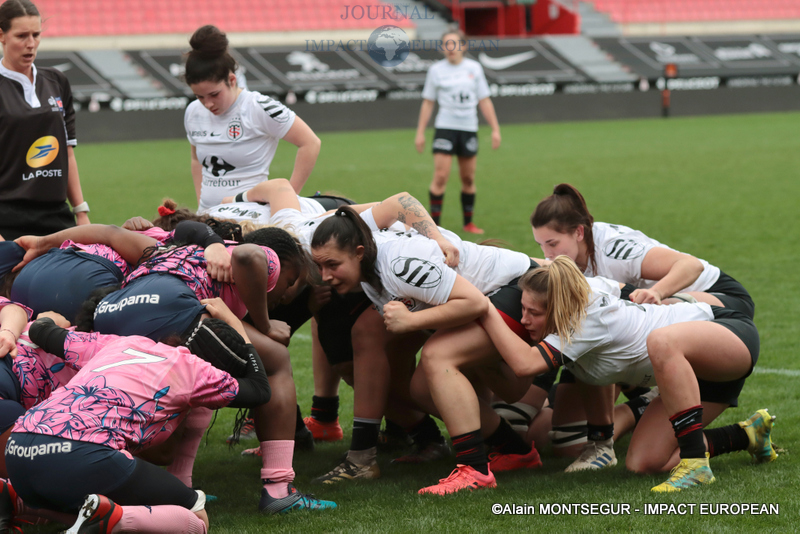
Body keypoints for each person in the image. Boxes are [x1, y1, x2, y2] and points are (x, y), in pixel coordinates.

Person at [479, 256, 776, 492]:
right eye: (523, 309)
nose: (524, 319)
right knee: (643, 463)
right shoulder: (584, 289)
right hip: (692, 374)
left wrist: (485, 309)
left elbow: (525, 365)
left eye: (534, 313)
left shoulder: (582, 323)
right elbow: (616, 287)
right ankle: (746, 434)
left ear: (559, 308)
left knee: (660, 340)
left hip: (727, 334)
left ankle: (695, 464)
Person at [309, 206, 546, 494]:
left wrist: (411, 321)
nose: (325, 276)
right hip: (489, 293)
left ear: (359, 253)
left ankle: (474, 470)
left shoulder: (398, 265)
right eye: (319, 266)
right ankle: (514, 451)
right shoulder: (366, 258)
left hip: (515, 289)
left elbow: (474, 302)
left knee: (438, 356)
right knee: (422, 388)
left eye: (332, 265)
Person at [526, 183, 756, 471]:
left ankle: (644, 407)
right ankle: (639, 407)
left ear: (579, 233)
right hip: (644, 330)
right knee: (567, 442)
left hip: (719, 304)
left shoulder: (614, 249)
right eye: (541, 245)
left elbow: (692, 266)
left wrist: (658, 292)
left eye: (552, 244)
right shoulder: (567, 263)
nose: (547, 254)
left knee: (617, 322)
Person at [184, 25, 321, 212]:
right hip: (208, 216)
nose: (207, 104)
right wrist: (203, 206)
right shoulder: (193, 112)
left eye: (214, 94)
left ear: (232, 80)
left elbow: (310, 143)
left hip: (250, 216)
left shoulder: (258, 107)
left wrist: (287, 199)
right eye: (200, 96)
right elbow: (196, 160)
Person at [0, 0, 90, 240]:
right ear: (2, 36)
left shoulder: (56, 81)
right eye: (21, 36)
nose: (30, 44)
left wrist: (80, 211)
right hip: (6, 218)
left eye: (36, 35)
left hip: (56, 216)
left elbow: (67, 152)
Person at [415, 29, 500, 235]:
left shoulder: (474, 68)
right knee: (440, 176)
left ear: (463, 46)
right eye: (447, 44)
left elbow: (484, 100)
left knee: (468, 179)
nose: (451, 48)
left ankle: (468, 223)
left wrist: (495, 129)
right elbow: (428, 102)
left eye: (454, 44)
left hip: (468, 129)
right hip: (445, 128)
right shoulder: (436, 70)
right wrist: (420, 132)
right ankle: (434, 226)